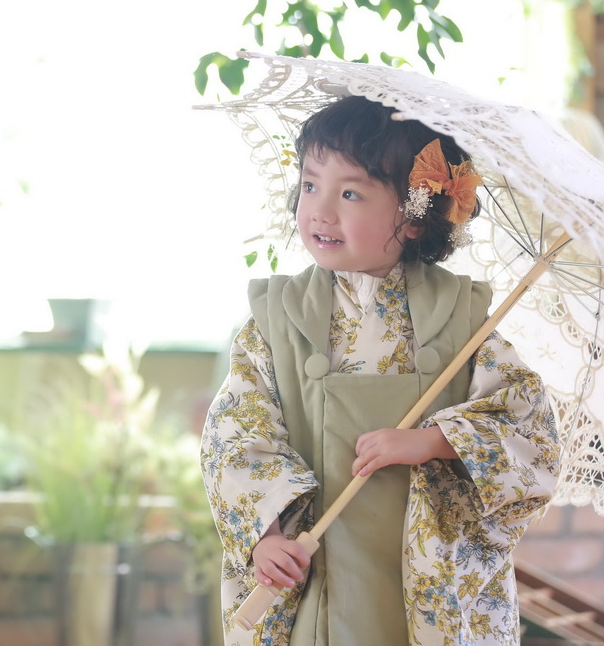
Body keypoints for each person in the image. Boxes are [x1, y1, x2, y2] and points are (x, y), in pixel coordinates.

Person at [200, 95, 561, 646]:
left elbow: (528, 428)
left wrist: (433, 442)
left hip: (423, 568)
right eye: (310, 185)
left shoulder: (461, 322)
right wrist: (265, 535)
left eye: (350, 192)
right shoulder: (277, 322)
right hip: (319, 566)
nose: (321, 210)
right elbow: (237, 433)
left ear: (413, 216)